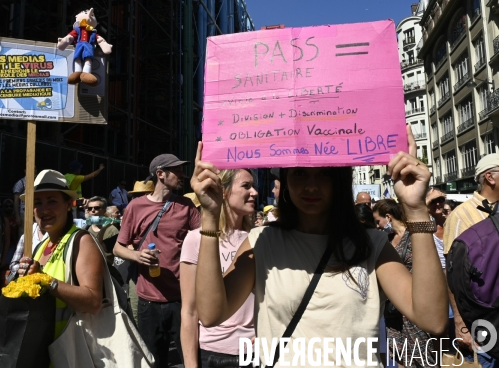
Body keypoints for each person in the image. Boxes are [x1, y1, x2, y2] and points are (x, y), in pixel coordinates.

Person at [191, 126, 447, 368]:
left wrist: (416, 210)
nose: (311, 185)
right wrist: (210, 217)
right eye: (300, 173)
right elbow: (212, 314)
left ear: (340, 179)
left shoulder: (372, 244)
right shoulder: (262, 241)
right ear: (286, 180)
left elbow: (432, 320)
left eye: (325, 173)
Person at [113, 153, 201, 368]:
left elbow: (205, 241)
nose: (182, 175)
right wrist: (137, 255)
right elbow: (117, 248)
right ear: (160, 174)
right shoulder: (135, 207)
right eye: (176, 171)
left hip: (183, 299)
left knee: (192, 360)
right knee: (153, 361)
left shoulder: (187, 205)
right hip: (148, 301)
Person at [180, 169, 256, 368]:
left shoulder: (260, 238)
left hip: (257, 352)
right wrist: (190, 365)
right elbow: (189, 311)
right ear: (223, 191)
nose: (254, 192)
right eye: (246, 186)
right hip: (213, 354)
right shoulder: (197, 239)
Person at [17, 169, 104, 340]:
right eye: (37, 202)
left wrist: (46, 280)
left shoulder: (81, 241)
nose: (44, 209)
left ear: (68, 204)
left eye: (52, 201)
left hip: (71, 351)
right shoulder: (41, 245)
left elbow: (94, 302)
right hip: (42, 346)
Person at [444, 154, 499, 368]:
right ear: (490, 177)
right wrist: (460, 323)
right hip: (481, 320)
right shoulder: (461, 215)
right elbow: (452, 273)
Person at [373, 199, 438, 367]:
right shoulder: (385, 239)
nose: (377, 226)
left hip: (414, 306)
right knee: (400, 356)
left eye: (378, 221)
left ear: (388, 217)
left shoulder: (413, 235)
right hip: (392, 311)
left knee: (424, 356)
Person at [85, 196, 119, 265]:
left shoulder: (112, 230)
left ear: (104, 211)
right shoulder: (85, 228)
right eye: (90, 208)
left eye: (97, 208)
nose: (93, 210)